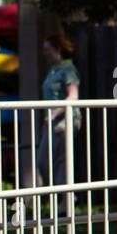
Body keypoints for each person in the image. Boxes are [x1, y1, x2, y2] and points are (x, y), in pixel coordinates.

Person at [36, 33, 80, 190]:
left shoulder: (68, 69)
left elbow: (73, 96)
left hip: (65, 120)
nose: (45, 53)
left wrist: (54, 113)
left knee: (61, 162)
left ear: (58, 49)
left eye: (47, 49)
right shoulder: (54, 70)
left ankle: (66, 203)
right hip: (53, 121)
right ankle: (64, 197)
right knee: (44, 161)